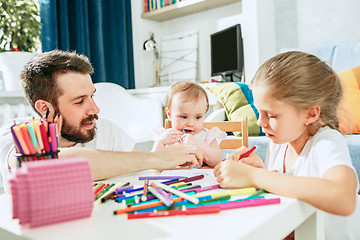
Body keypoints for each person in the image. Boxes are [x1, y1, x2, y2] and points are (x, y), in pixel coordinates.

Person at [0, 50, 201, 192]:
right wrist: (158, 158)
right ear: (45, 108)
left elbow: (142, 167)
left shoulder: (103, 129)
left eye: (92, 96)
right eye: (79, 101)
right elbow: (46, 165)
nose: (95, 109)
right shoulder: (15, 133)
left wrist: (165, 158)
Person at [214, 51, 360, 239]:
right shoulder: (278, 144)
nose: (260, 122)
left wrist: (256, 176)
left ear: (310, 114)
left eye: (271, 115)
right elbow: (287, 193)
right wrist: (260, 172)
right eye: (259, 112)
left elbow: (343, 198)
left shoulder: (326, 141)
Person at [152, 81, 226, 168]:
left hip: (199, 179)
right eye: (183, 117)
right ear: (169, 114)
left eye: (198, 117)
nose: (190, 124)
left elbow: (216, 161)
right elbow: (152, 162)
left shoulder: (207, 136)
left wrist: (197, 143)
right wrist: (160, 142)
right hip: (171, 179)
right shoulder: (166, 136)